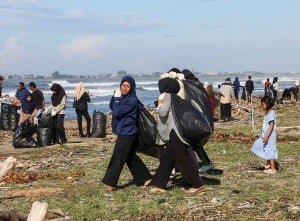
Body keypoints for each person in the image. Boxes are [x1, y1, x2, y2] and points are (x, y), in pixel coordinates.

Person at [150, 77, 203, 193]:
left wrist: (158, 105)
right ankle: (159, 184)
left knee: (183, 158)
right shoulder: (177, 97)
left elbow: (163, 112)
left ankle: (196, 184)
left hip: (175, 132)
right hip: (178, 132)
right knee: (168, 159)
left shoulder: (168, 96)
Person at [102, 76, 151, 191]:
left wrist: (117, 99)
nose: (124, 88)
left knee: (118, 157)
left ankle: (111, 183)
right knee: (130, 157)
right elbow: (112, 107)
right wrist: (115, 97)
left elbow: (118, 112)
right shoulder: (122, 97)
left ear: (132, 87)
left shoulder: (132, 100)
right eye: (123, 85)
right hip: (124, 131)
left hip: (128, 132)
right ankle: (145, 177)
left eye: (127, 86)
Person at [251, 96, 278, 174]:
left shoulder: (271, 113)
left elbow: (271, 125)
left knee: (270, 150)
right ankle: (268, 162)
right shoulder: (267, 113)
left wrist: (266, 136)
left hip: (269, 136)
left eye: (262, 104)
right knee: (257, 146)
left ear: (267, 104)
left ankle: (272, 168)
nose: (261, 106)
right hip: (264, 135)